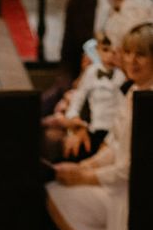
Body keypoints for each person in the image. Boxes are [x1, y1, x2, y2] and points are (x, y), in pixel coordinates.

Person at [46, 3, 153, 230]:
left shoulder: (148, 101)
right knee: (54, 187)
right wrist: (82, 166)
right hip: (117, 183)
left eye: (142, 56)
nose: (132, 62)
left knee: (56, 193)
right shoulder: (134, 91)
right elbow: (112, 147)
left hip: (132, 197)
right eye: (129, 54)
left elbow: (128, 169)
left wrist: (83, 176)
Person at [43, 0, 134, 114]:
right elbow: (67, 58)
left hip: (124, 84)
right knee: (27, 111)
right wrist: (69, 89)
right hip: (83, 81)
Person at [43, 31, 126, 161]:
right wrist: (74, 117)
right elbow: (78, 98)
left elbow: (123, 107)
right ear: (97, 51)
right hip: (92, 128)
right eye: (105, 50)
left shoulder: (122, 76)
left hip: (112, 130)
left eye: (115, 52)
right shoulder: (91, 72)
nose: (110, 56)